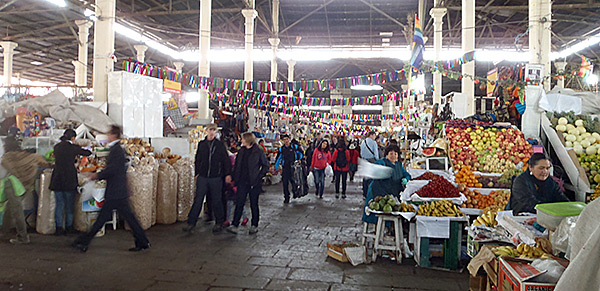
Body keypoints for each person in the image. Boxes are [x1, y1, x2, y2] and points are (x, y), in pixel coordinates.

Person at [73, 125, 150, 252]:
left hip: (116, 192)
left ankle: (84, 242)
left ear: (114, 135)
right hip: (118, 191)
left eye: (109, 134)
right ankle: (143, 241)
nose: (107, 136)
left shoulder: (116, 150)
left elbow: (112, 170)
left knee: (105, 219)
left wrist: (97, 175)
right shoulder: (116, 149)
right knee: (126, 218)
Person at [183, 123, 232, 233]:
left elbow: (226, 161)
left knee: (217, 200)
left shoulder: (220, 145)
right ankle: (191, 222)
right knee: (198, 199)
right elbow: (198, 159)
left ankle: (219, 222)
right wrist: (197, 173)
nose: (211, 132)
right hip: (203, 177)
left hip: (216, 177)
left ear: (216, 132)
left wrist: (228, 174)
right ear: (206, 131)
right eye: (210, 130)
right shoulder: (202, 144)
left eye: (214, 130)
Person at [0, 137, 47, 244]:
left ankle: (23, 237)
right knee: (9, 209)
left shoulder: (7, 158)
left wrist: (17, 176)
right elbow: (43, 162)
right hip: (25, 185)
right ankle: (4, 231)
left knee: (16, 211)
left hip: (12, 185)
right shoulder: (27, 156)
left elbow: (9, 168)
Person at [49, 129, 92, 235]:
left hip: (57, 178)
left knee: (59, 205)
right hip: (69, 179)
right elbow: (87, 152)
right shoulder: (73, 148)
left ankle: (59, 228)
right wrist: (86, 147)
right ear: (73, 138)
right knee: (69, 205)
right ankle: (69, 227)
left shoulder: (57, 147)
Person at [228, 132, 269, 235]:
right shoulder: (241, 151)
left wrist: (259, 177)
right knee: (239, 202)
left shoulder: (258, 151)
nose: (241, 140)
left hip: (254, 182)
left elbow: (265, 165)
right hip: (242, 181)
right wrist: (234, 177)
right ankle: (235, 224)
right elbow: (237, 165)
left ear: (247, 140)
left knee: (253, 204)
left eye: (242, 139)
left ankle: (254, 225)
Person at [362, 145, 411, 224]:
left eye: (395, 154)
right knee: (381, 213)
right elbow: (376, 167)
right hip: (380, 193)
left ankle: (391, 229)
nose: (393, 156)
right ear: (386, 155)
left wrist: (406, 179)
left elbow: (406, 174)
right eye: (391, 153)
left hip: (394, 193)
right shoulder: (382, 162)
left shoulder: (398, 165)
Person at [274, 134, 303, 204]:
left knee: (294, 181)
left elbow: (301, 153)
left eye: (287, 139)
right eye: (284, 140)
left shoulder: (294, 146)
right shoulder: (282, 149)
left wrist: (300, 159)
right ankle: (286, 197)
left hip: (294, 167)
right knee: (285, 183)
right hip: (285, 167)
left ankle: (295, 192)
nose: (286, 141)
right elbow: (278, 158)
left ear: (289, 140)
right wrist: (276, 167)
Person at [360, 131, 379, 198]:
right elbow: (376, 153)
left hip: (364, 160)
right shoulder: (373, 143)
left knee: (365, 178)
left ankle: (364, 194)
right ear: (371, 135)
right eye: (374, 135)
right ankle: (369, 194)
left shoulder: (363, 142)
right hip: (372, 161)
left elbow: (361, 153)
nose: (375, 137)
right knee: (371, 179)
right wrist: (377, 161)